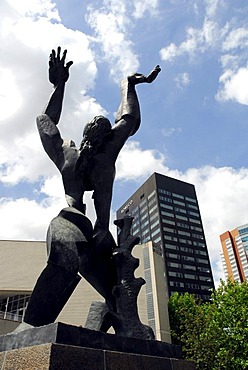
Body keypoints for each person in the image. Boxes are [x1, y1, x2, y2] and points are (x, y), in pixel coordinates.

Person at [22, 47, 161, 328]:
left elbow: (129, 121)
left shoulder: (102, 155)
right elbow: (45, 121)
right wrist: (60, 85)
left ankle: (99, 322)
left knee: (118, 296)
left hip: (98, 235)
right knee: (65, 254)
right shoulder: (70, 156)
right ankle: (32, 326)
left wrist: (128, 85)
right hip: (70, 222)